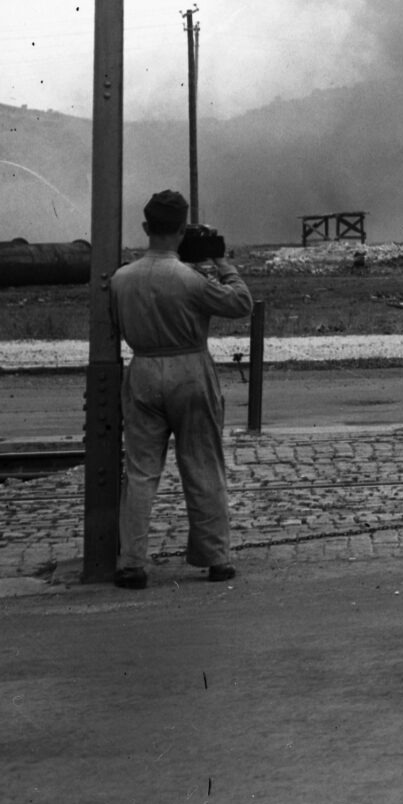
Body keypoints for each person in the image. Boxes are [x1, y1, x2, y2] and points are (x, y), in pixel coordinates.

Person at [110, 189, 254, 588]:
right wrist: (222, 261)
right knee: (203, 464)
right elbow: (242, 303)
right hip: (190, 369)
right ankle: (216, 558)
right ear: (180, 231)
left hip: (142, 369)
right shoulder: (191, 279)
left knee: (140, 472)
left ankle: (132, 563)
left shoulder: (122, 279)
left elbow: (115, 324)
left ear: (145, 228)